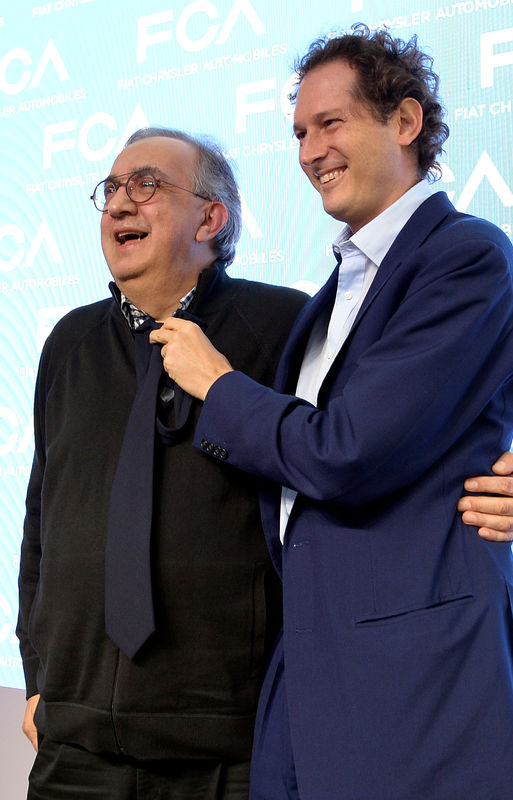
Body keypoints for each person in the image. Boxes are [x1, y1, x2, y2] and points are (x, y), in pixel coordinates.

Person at [150, 27, 513, 800]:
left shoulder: (465, 254)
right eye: (299, 131)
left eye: (331, 123)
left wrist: (220, 384)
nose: (309, 150)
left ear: (405, 122)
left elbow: (348, 451)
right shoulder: (330, 296)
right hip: (311, 675)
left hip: (412, 682)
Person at [17, 128, 307, 799]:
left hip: (230, 755)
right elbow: (42, 523)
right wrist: (39, 678)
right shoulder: (69, 341)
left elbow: (348, 459)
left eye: (146, 185)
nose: (119, 204)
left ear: (211, 217)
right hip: (74, 747)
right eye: (111, 189)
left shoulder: (286, 326)